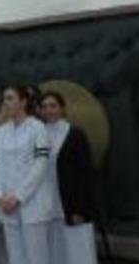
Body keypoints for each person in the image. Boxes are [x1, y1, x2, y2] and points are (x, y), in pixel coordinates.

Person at [0, 86, 56, 264]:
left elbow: (40, 166)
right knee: (16, 259)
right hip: (7, 206)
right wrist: (0, 196)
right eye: (4, 98)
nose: (6, 103)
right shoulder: (1, 132)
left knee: (37, 259)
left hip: (33, 206)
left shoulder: (38, 128)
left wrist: (18, 197)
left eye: (10, 98)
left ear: (23, 102)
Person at [39, 91, 97, 264]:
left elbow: (85, 174)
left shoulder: (75, 134)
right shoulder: (38, 134)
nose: (48, 110)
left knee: (78, 252)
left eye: (53, 106)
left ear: (62, 108)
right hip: (48, 207)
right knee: (55, 254)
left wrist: (80, 209)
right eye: (44, 107)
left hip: (72, 206)